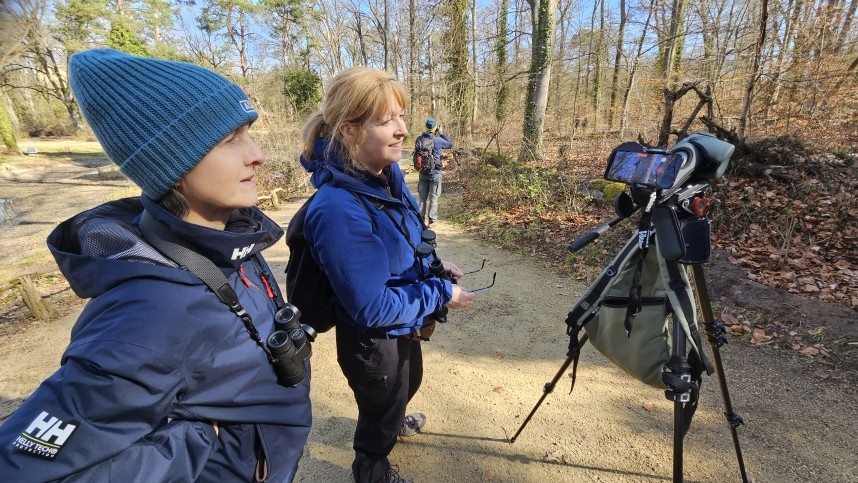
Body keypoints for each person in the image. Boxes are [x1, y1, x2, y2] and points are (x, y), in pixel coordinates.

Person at [0, 49, 311, 482]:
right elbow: (25, 470)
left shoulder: (233, 239)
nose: (256, 154)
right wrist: (193, 441)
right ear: (171, 163)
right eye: (229, 139)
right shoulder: (149, 316)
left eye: (248, 133)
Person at [296, 67, 476, 483]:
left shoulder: (386, 175)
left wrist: (434, 267)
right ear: (349, 130)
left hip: (404, 321)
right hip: (371, 338)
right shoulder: (337, 208)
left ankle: (394, 420)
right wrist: (439, 292)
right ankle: (372, 468)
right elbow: (371, 307)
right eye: (386, 120)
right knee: (380, 406)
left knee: (407, 384)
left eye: (401, 116)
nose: (402, 130)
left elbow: (405, 235)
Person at [416, 118, 452, 225]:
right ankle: (432, 219)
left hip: (423, 172)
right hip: (435, 172)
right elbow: (450, 144)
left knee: (422, 198)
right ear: (436, 128)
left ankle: (421, 219)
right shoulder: (438, 140)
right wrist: (441, 133)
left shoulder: (419, 139)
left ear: (426, 127)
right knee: (433, 197)